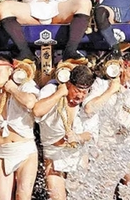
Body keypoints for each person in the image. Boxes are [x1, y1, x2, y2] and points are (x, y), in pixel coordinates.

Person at [33, 64, 99, 200]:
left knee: (79, 196)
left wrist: (78, 137)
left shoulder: (88, 99)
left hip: (78, 153)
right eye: (77, 90)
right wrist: (59, 94)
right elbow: (37, 111)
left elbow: (91, 133)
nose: (80, 95)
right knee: (57, 197)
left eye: (84, 92)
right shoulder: (52, 89)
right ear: (69, 84)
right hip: (53, 153)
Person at [0, 54, 39, 200]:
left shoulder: (25, 84)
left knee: (22, 196)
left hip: (24, 149)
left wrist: (13, 89)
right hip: (2, 151)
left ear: (10, 70)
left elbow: (30, 103)